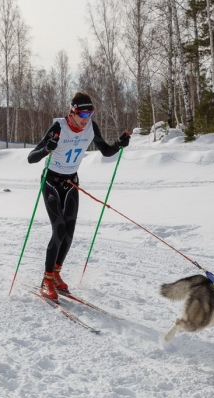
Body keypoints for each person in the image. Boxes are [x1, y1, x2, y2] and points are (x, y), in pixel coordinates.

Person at [27, 91, 130, 300]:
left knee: (69, 233)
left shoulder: (91, 127)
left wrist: (119, 144)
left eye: (89, 114)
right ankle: (46, 280)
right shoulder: (59, 127)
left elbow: (107, 151)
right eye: (82, 115)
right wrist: (47, 148)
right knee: (58, 228)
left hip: (72, 182)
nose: (86, 120)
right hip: (51, 182)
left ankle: (55, 272)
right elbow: (31, 158)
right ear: (72, 112)